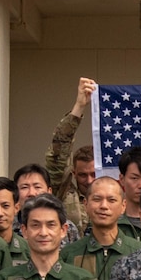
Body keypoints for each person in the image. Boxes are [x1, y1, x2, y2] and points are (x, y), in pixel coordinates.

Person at [45, 76, 99, 229]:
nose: (89, 180)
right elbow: (58, 151)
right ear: (74, 173)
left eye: (94, 174)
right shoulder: (64, 194)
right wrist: (79, 106)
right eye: (83, 175)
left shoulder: (114, 197)